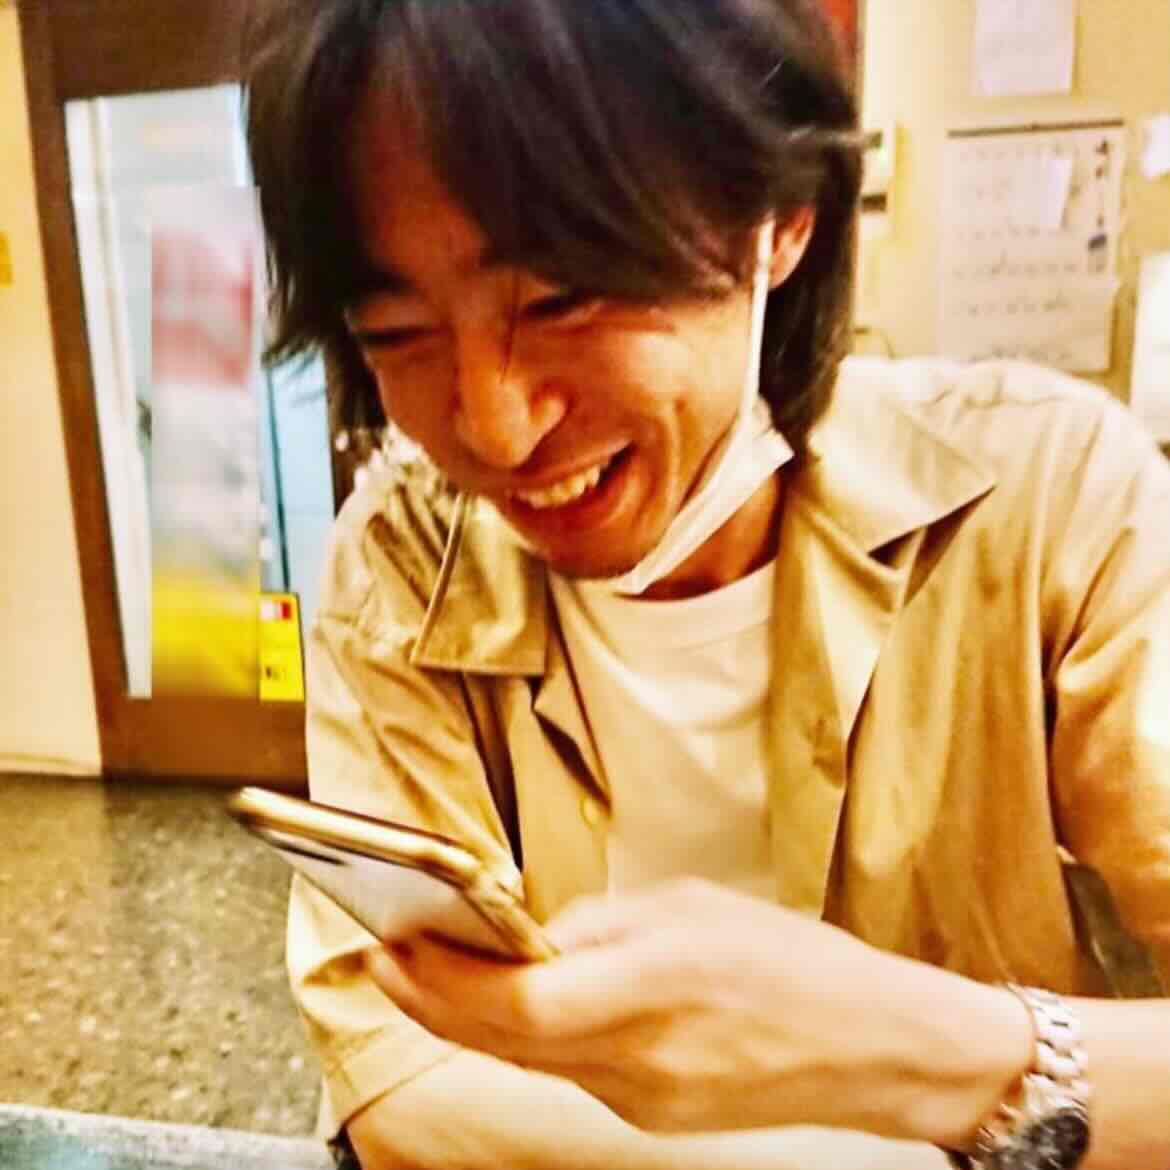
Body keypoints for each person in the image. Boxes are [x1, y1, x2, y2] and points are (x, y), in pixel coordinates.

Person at [243, 1, 1170, 1168]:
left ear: (781, 218)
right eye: (398, 331)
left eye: (562, 297)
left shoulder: (1045, 497)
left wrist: (913, 1051)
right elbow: (398, 1082)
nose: (493, 426)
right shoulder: (403, 559)